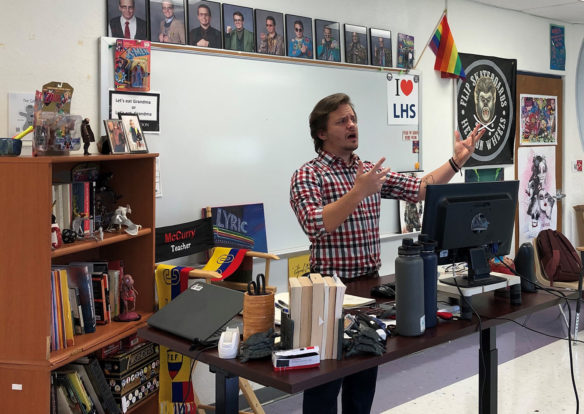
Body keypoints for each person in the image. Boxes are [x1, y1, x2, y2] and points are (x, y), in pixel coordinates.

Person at [289, 93, 485, 414]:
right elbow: (316, 225)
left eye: (353, 118)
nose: (352, 125)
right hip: (327, 293)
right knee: (324, 389)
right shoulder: (309, 175)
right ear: (321, 133)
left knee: (363, 384)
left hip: (369, 291)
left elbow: (420, 190)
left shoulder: (369, 171)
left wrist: (457, 160)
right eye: (342, 121)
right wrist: (358, 191)